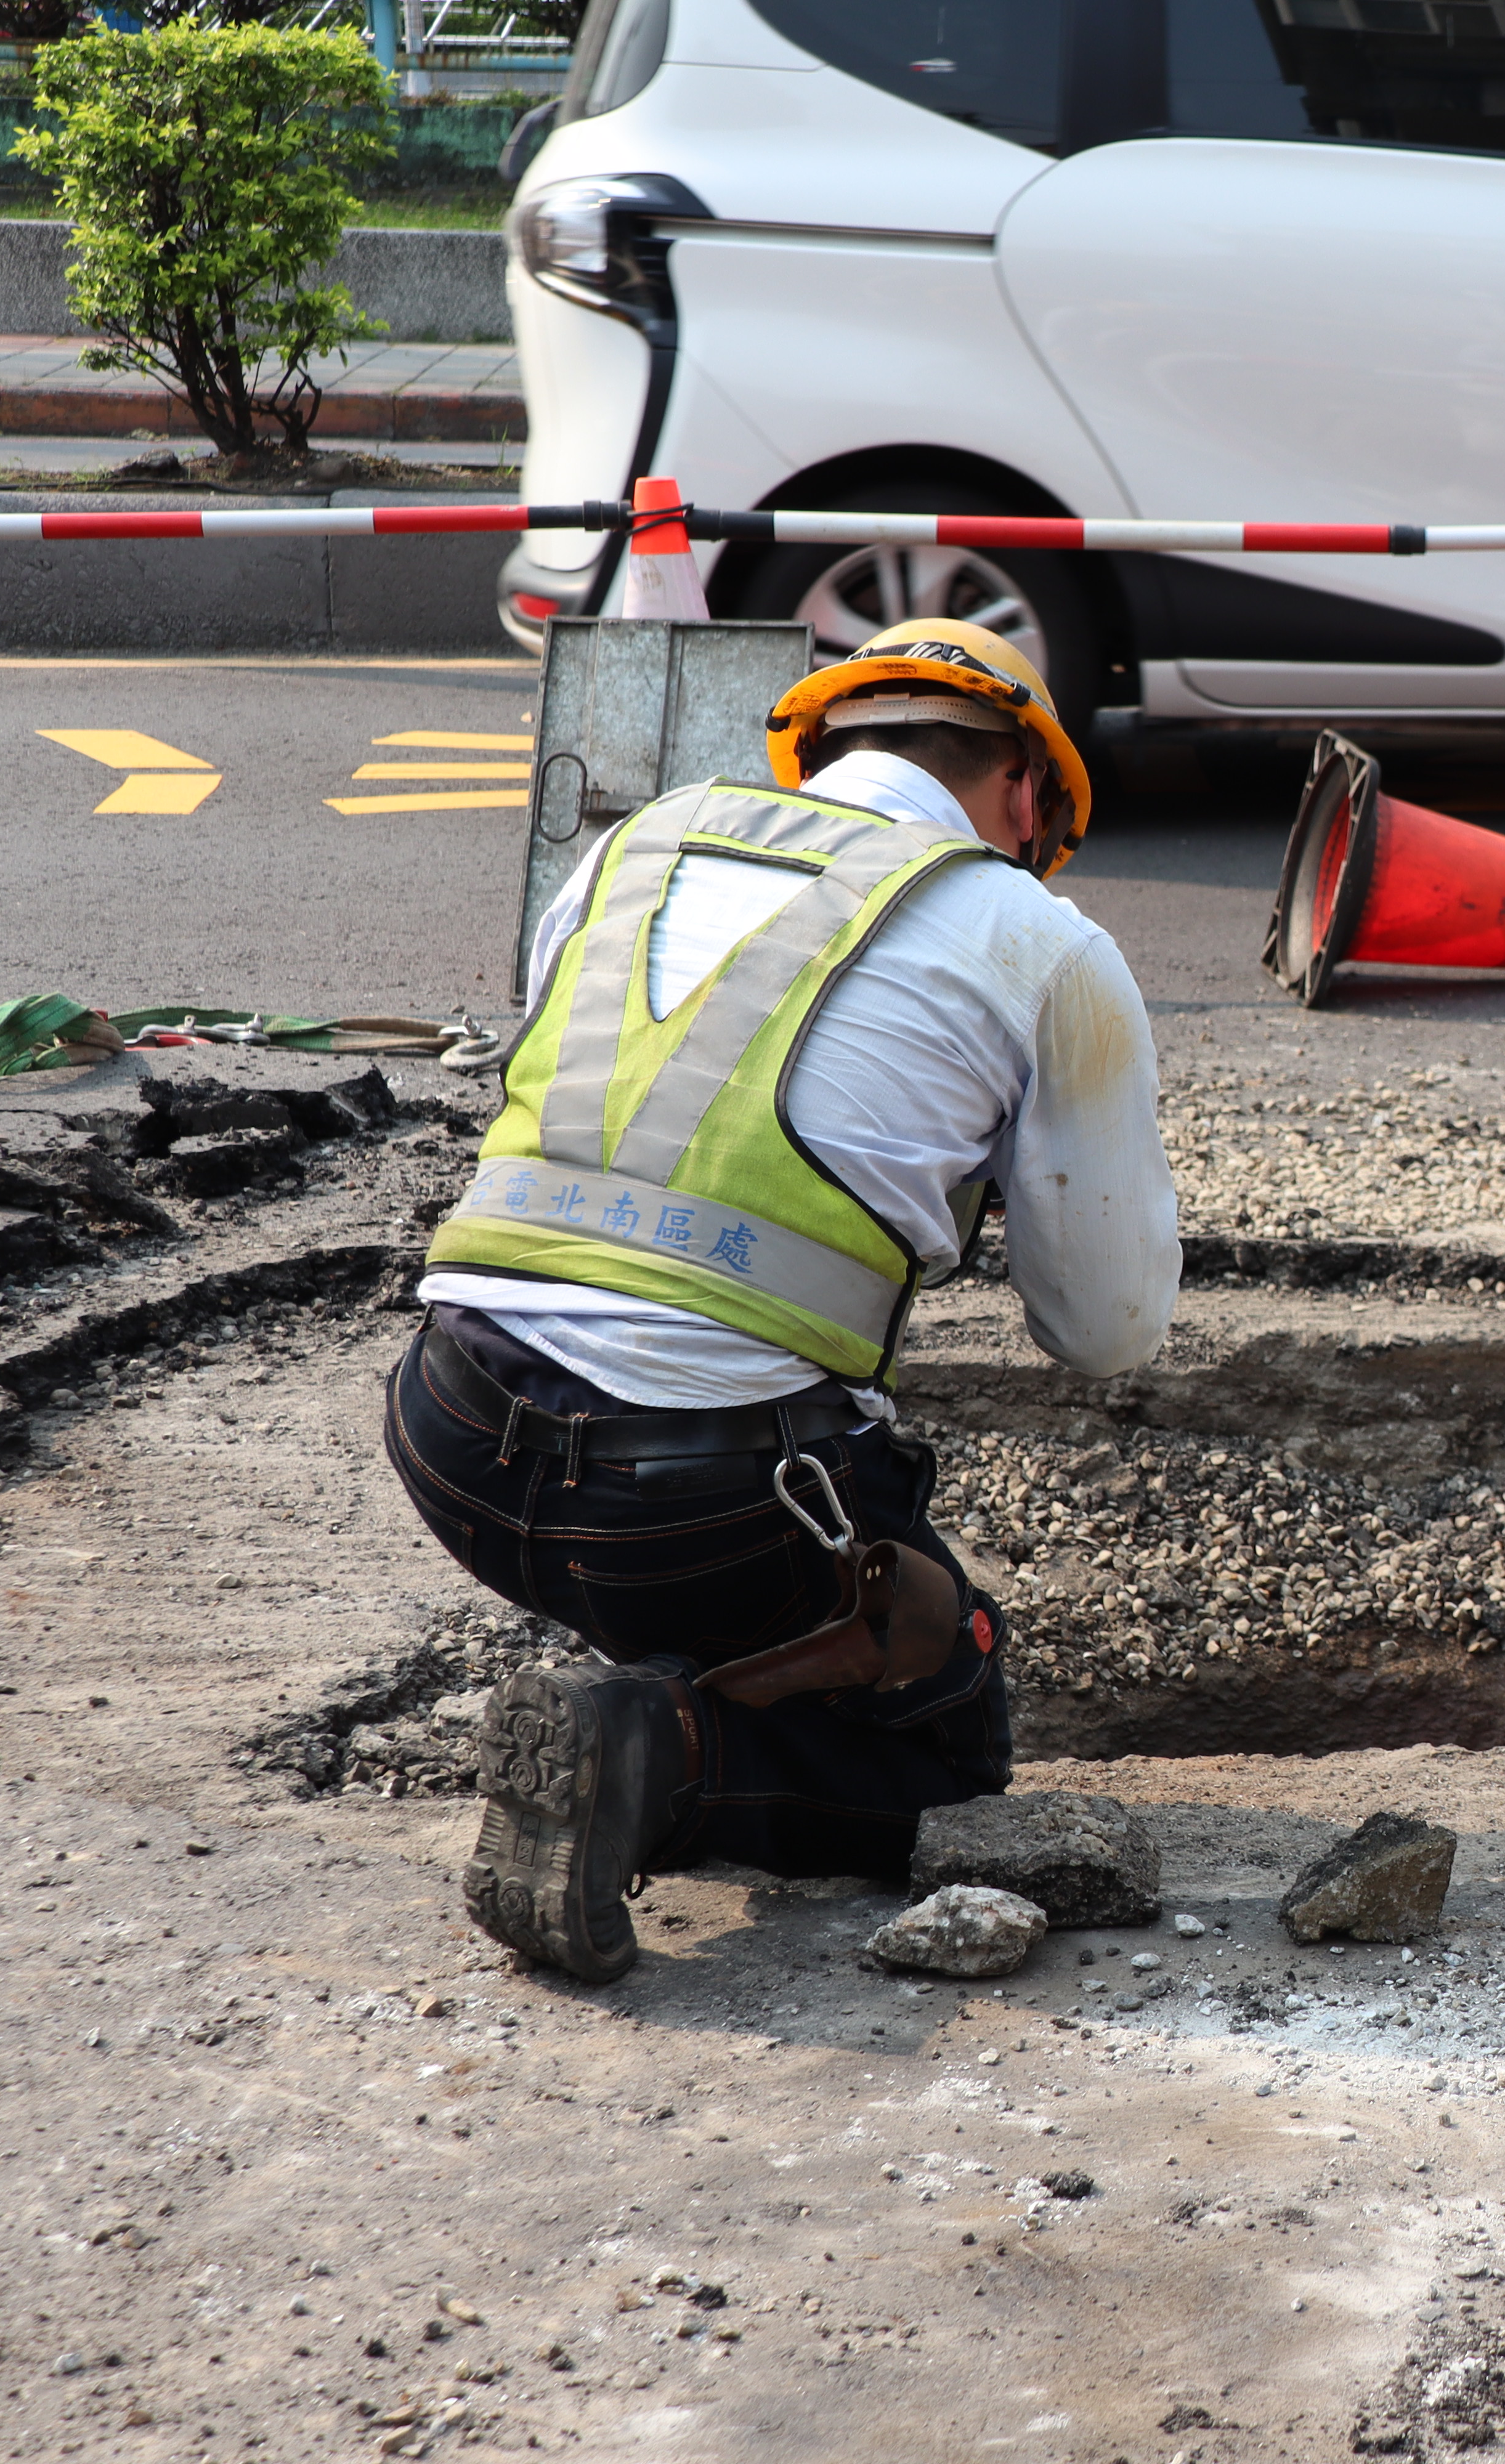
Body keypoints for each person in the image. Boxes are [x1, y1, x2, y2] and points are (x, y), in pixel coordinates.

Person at [385, 620, 1179, 1985]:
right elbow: (1107, 1328)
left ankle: (622, 1695)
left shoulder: (641, 841)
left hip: (450, 1429)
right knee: (946, 1717)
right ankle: (653, 1757)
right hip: (697, 1507)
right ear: (1028, 796)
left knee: (678, 1508)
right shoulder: (1032, 935)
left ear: (820, 748)